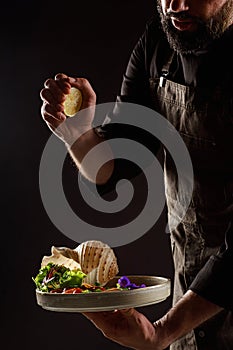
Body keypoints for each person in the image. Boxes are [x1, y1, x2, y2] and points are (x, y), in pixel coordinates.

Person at [40, 0, 233, 349]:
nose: (176, 5)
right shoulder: (161, 42)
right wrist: (78, 134)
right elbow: (113, 169)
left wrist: (162, 331)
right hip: (190, 303)